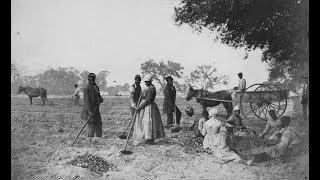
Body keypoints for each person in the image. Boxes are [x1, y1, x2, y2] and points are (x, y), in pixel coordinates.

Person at [132, 75, 165, 145]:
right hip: (146, 106)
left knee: (149, 122)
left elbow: (147, 100)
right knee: (146, 122)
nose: (146, 83)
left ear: (150, 82)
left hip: (149, 107)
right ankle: (148, 138)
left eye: (147, 82)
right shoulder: (148, 88)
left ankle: (150, 139)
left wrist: (140, 107)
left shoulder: (151, 89)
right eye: (145, 82)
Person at [80, 73, 104, 137]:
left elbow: (99, 96)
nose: (92, 80)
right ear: (88, 79)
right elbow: (86, 101)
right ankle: (90, 141)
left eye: (93, 79)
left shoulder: (96, 87)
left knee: (99, 124)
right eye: (90, 79)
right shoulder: (86, 88)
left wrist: (101, 99)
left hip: (96, 110)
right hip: (89, 110)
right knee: (91, 125)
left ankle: (99, 139)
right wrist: (89, 111)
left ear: (94, 79)